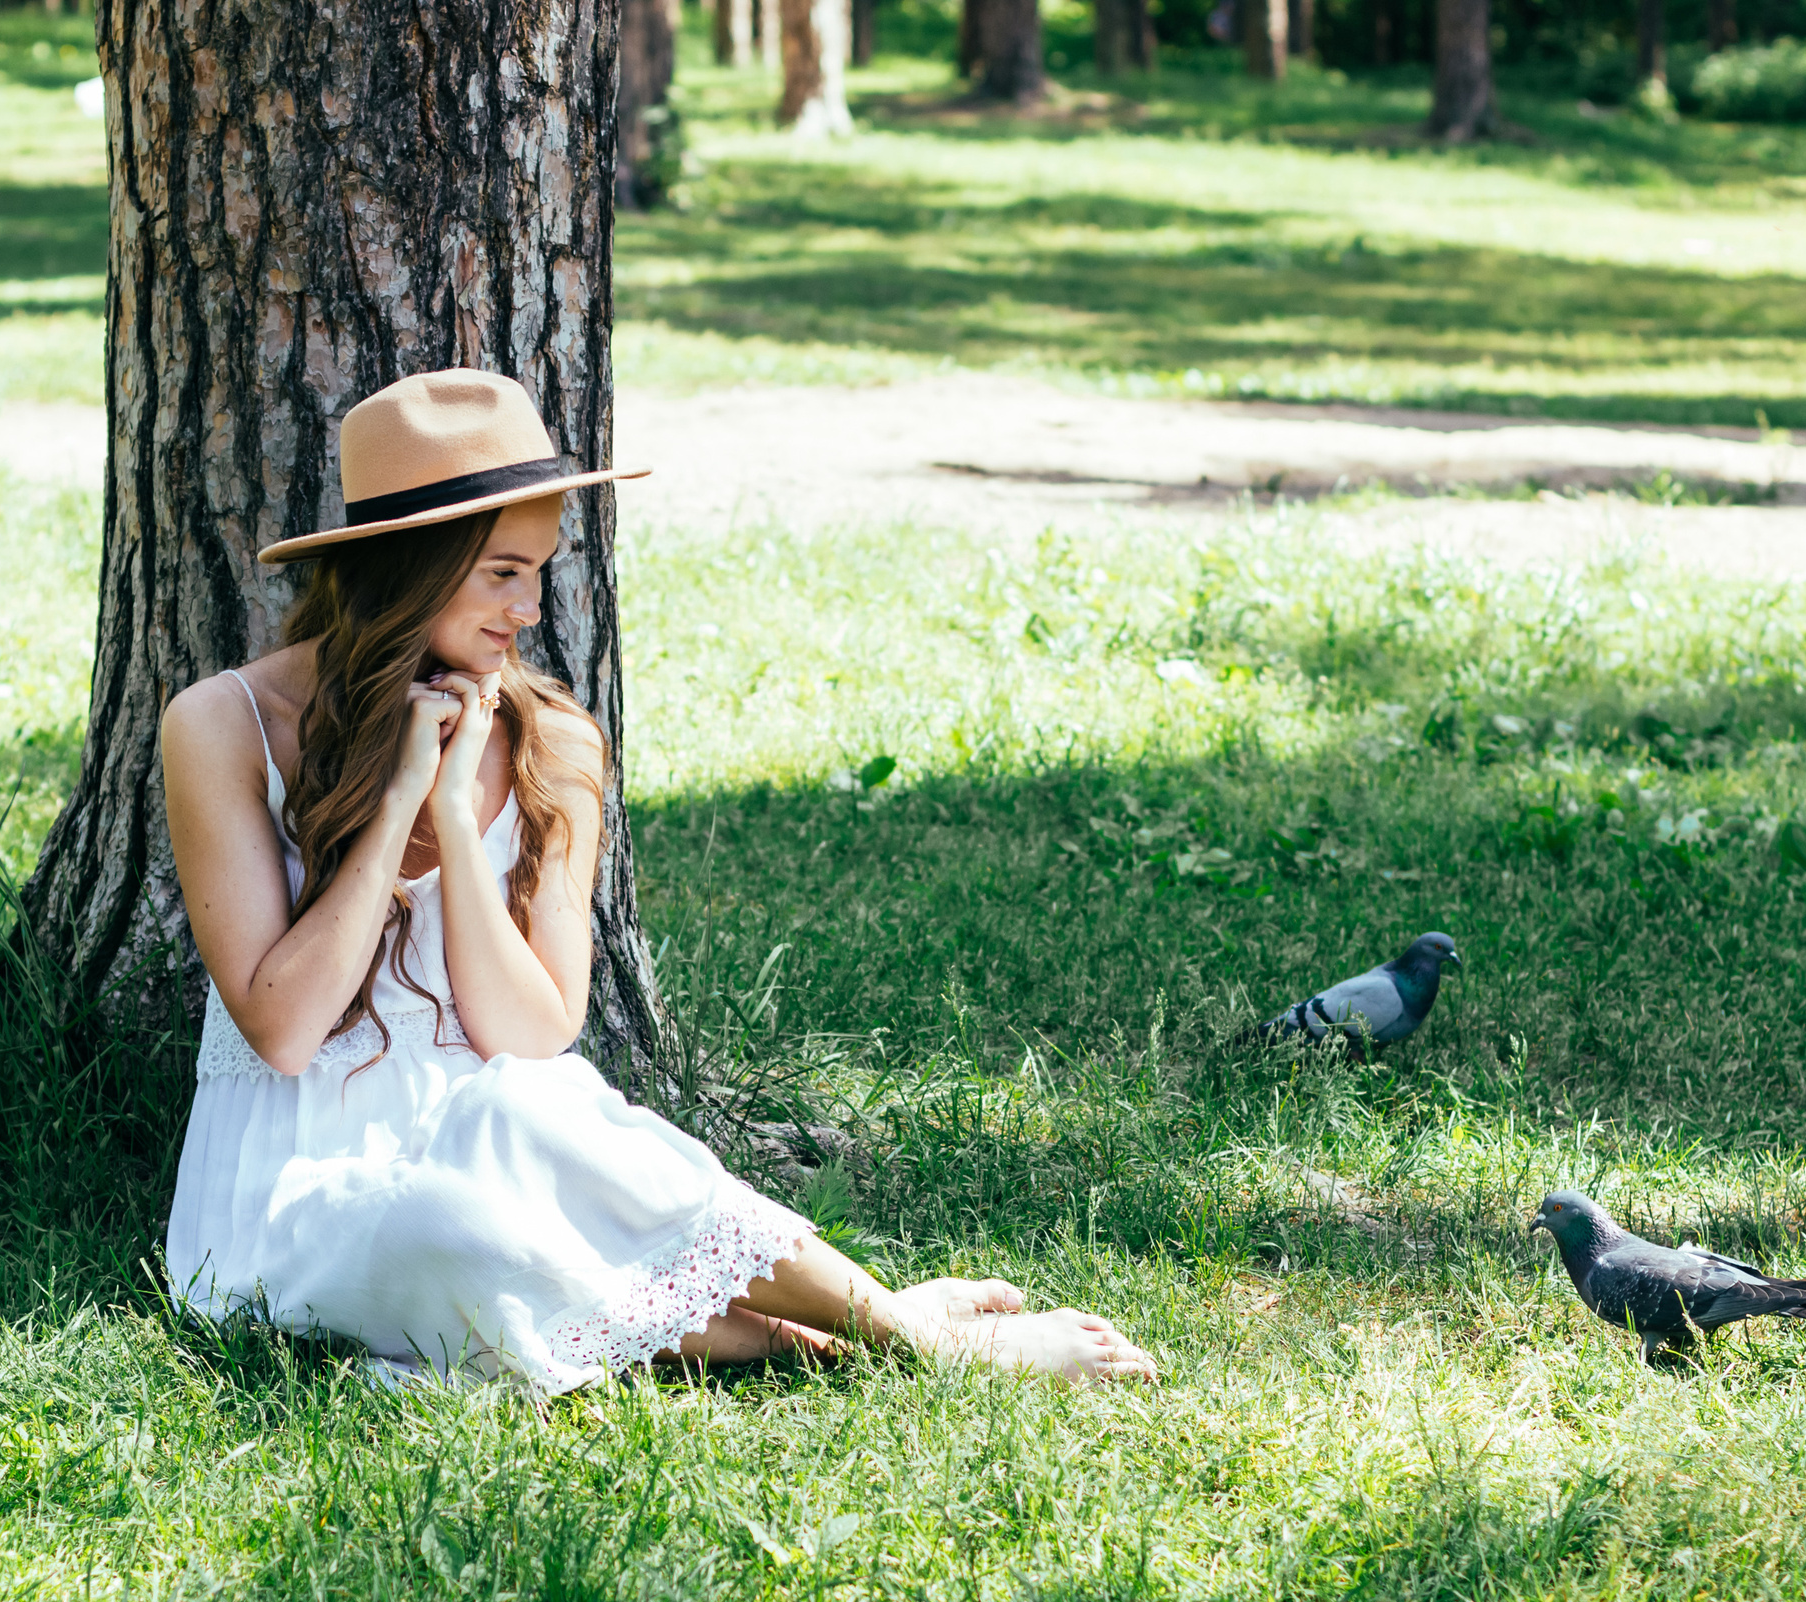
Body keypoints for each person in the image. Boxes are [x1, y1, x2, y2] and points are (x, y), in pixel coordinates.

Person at [159, 369, 1158, 1394]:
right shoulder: (224, 723)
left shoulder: (552, 741)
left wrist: (458, 826)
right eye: (503, 573)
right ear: (412, 569)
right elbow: (282, 1031)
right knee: (456, 1229)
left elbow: (532, 1035)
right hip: (293, 1192)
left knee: (533, 1110)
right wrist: (401, 797)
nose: (531, 608)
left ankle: (897, 1328)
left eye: (540, 571)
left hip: (508, 1144)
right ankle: (890, 1334)